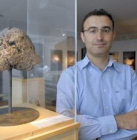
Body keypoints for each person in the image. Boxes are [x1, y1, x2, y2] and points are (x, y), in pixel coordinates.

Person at [56, 9, 137, 140]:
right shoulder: (70, 76)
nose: (99, 37)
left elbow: (135, 122)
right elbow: (65, 127)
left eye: (105, 30)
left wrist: (86, 123)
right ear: (83, 36)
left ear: (113, 35)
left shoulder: (128, 73)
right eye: (92, 30)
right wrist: (119, 121)